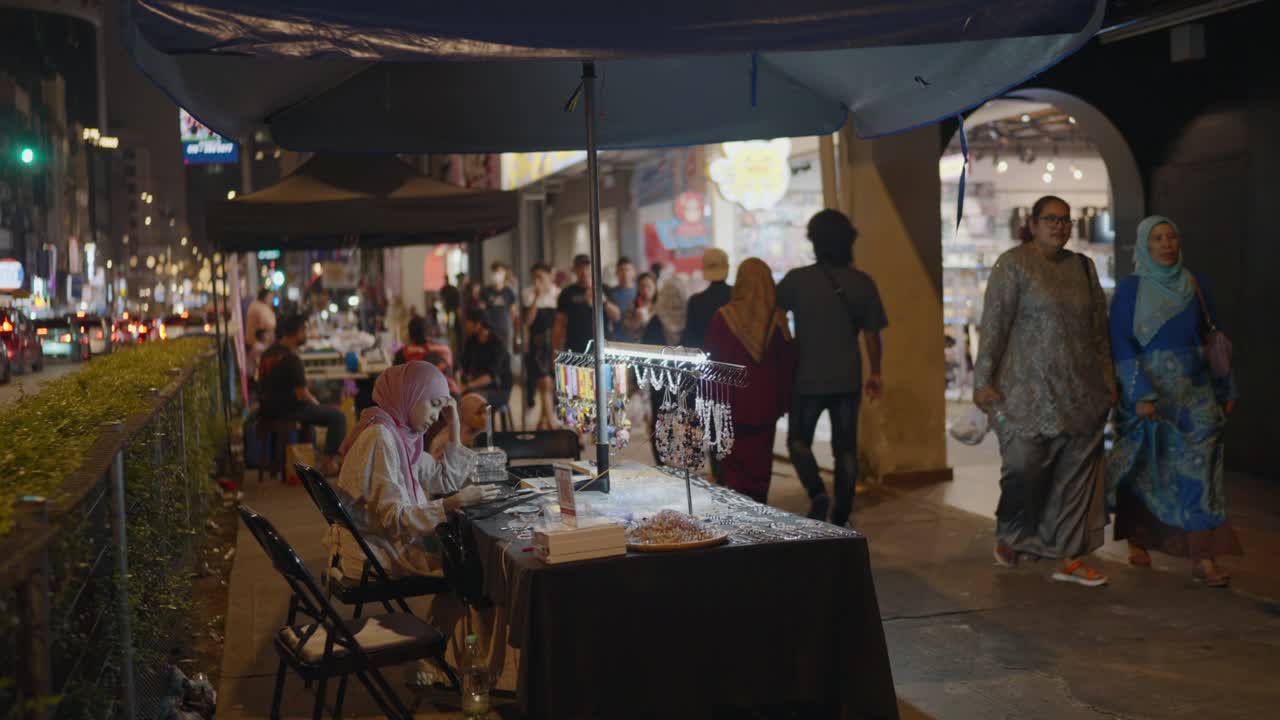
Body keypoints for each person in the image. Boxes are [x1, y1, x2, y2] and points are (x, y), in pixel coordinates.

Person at [974, 195, 1115, 587]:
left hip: (1081, 392)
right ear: (1033, 224)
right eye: (1051, 219)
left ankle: (1069, 556)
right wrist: (983, 382)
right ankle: (1012, 533)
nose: (1059, 226)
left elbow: (1098, 333)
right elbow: (994, 325)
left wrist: (1108, 382)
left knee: (1075, 477)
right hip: (1024, 393)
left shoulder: (1083, 267)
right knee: (1023, 468)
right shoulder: (1013, 264)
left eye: (1066, 220)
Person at [1107, 215, 1240, 587]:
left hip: (1195, 394)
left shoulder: (1195, 283)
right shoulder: (1131, 289)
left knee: (1202, 471)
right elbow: (1121, 342)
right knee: (1145, 468)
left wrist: (1225, 387)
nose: (1166, 244)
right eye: (1158, 238)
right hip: (1148, 395)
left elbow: (1212, 337)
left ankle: (1203, 557)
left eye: (1171, 237)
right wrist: (1140, 395)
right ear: (1144, 245)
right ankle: (1138, 537)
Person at [327, 362, 498, 580]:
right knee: (476, 567)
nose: (436, 416)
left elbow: (444, 480)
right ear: (410, 395)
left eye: (440, 410)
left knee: (468, 560)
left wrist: (455, 424)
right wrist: (453, 503)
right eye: (434, 405)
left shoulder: (400, 434)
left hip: (381, 545)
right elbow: (394, 520)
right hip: (376, 555)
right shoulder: (381, 437)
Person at [778, 210, 887, 527]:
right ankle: (842, 514)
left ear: (814, 242)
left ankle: (817, 494)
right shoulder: (863, 283)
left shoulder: (797, 280)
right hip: (847, 379)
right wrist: (876, 372)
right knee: (846, 450)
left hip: (806, 378)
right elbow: (872, 335)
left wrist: (788, 339)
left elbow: (774, 311)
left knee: (798, 442)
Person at [703, 259, 795, 503]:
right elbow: (787, 365)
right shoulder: (778, 321)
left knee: (734, 466)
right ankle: (759, 509)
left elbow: (712, 366)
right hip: (766, 407)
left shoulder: (723, 317)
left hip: (731, 405)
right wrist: (784, 402)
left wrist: (709, 405)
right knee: (760, 463)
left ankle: (739, 512)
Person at [257, 314, 349, 476]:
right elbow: (302, 394)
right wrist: (316, 403)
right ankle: (329, 463)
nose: (307, 334)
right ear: (297, 332)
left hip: (266, 408)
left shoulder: (268, 354)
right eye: (305, 331)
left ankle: (307, 461)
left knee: (311, 418)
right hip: (289, 410)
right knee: (337, 416)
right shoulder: (292, 359)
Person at [640, 277, 690, 465]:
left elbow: (645, 360)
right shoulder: (691, 320)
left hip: (660, 385)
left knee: (662, 426)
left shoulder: (654, 323)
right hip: (686, 384)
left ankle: (664, 465)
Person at [522, 263, 559, 429]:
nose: (537, 280)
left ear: (550, 276)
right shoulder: (528, 294)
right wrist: (536, 297)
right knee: (544, 381)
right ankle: (551, 422)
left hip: (554, 344)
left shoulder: (557, 294)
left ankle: (543, 421)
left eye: (541, 276)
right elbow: (528, 321)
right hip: (537, 345)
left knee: (551, 384)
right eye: (534, 277)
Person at [459, 309, 513, 409]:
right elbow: (463, 366)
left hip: (499, 390)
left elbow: (490, 376)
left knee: (472, 399)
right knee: (457, 397)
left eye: (467, 322)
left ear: (478, 324)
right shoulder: (471, 342)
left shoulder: (498, 344)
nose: (465, 325)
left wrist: (468, 386)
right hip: (477, 387)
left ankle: (482, 420)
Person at [681, 247, 732, 350]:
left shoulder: (695, 301)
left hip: (705, 356)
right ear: (727, 268)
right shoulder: (737, 296)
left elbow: (689, 340)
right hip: (733, 356)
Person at [554, 254, 595, 353]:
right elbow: (560, 323)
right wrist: (556, 348)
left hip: (601, 346)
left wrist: (604, 301)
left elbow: (616, 316)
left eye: (586, 268)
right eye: (580, 268)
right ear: (574, 270)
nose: (584, 271)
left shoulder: (602, 289)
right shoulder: (567, 292)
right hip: (575, 346)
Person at [480, 262, 518, 345]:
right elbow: (482, 310)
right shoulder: (485, 291)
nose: (497, 274)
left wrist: (510, 326)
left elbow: (513, 312)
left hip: (505, 328)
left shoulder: (509, 291)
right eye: (495, 271)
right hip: (489, 329)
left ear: (504, 273)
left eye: (500, 271)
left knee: (506, 351)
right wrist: (484, 327)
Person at [604, 257, 638, 339]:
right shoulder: (610, 293)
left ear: (634, 272)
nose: (625, 273)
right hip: (616, 339)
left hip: (636, 341)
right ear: (616, 272)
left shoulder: (640, 292)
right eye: (621, 270)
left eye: (628, 270)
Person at [620, 272, 658, 342]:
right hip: (638, 344)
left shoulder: (661, 306)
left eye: (649, 286)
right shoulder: (633, 305)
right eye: (642, 286)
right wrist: (637, 320)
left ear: (655, 287)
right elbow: (626, 331)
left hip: (657, 344)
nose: (645, 290)